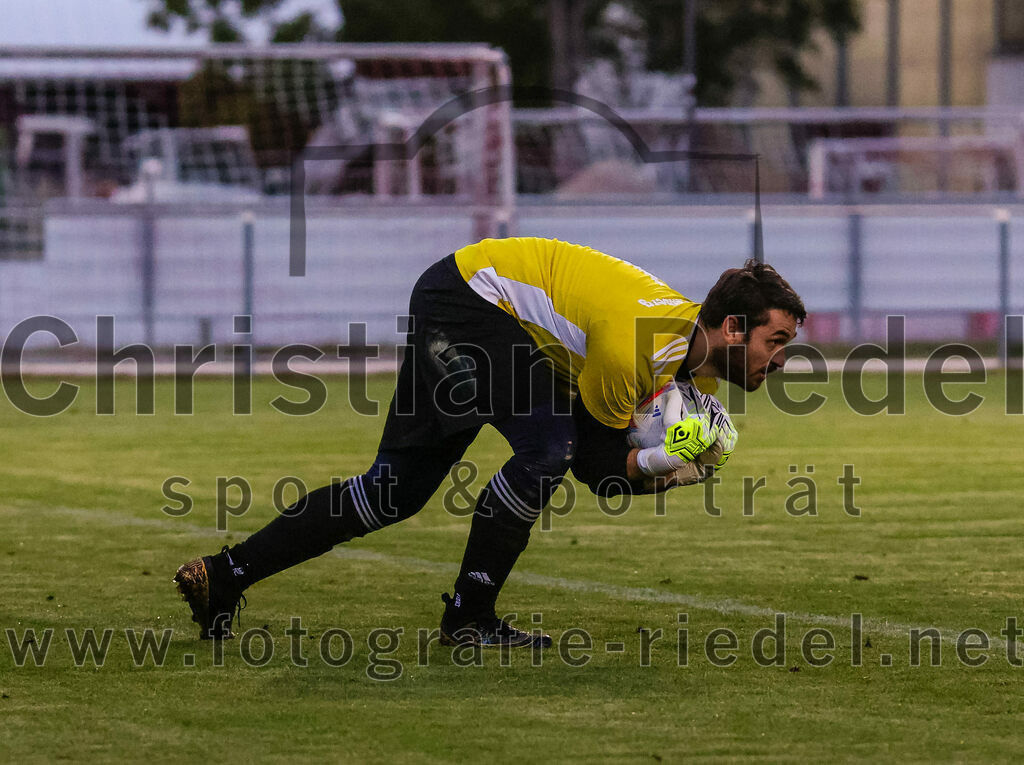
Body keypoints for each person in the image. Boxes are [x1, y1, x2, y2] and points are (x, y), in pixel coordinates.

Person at [174, 237, 805, 645]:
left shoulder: (689, 373)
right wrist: (669, 461)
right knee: (547, 449)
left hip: (473, 302)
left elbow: (610, 468)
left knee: (394, 491)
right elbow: (595, 466)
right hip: (469, 304)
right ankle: (470, 615)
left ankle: (225, 575)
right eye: (775, 341)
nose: (780, 361)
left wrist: (677, 471)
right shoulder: (637, 348)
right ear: (731, 327)